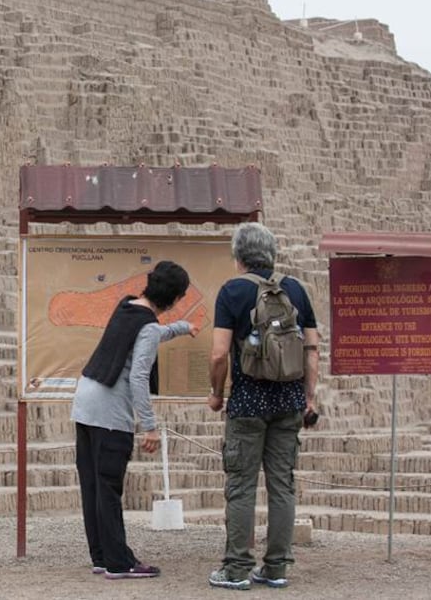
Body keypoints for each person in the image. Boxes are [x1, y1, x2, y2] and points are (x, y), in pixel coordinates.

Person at [206, 222, 319, 590]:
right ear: (272, 253)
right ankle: (277, 568)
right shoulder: (296, 290)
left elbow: (220, 353)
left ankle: (237, 569)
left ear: (238, 257)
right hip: (288, 403)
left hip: (247, 404)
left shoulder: (232, 291)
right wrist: (309, 397)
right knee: (282, 486)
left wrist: (216, 393)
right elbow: (312, 351)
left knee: (241, 486)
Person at [71, 260, 200, 580]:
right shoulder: (148, 326)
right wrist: (150, 427)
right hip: (110, 412)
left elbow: (150, 335)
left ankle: (101, 556)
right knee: (110, 488)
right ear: (174, 297)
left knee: (93, 486)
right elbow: (139, 377)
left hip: (85, 402)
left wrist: (184, 327)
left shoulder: (127, 306)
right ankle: (119, 562)